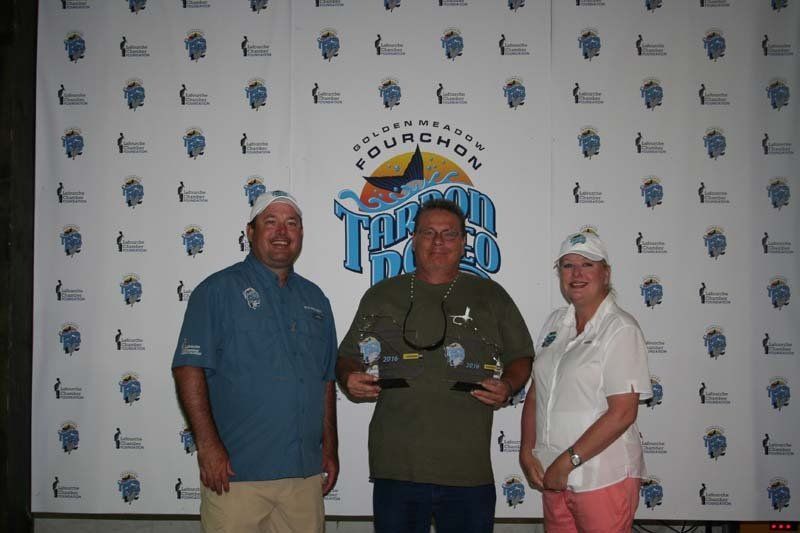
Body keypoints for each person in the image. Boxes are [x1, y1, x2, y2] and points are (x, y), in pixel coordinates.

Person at [337, 198, 534, 533]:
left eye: (449, 234)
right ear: (413, 239)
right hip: (397, 468)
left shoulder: (491, 296)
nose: (438, 241)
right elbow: (347, 356)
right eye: (429, 232)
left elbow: (521, 356)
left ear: (463, 242)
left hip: (467, 471)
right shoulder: (382, 295)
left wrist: (510, 385)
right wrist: (348, 377)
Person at [172, 191, 338, 533]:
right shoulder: (217, 290)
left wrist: (330, 448)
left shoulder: (316, 298)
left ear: (301, 234)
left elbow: (325, 379)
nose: (282, 231)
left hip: (303, 477)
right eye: (271, 222)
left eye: (291, 223)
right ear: (250, 232)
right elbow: (188, 367)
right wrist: (208, 447)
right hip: (237, 474)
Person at [519, 231, 651, 533]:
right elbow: (536, 394)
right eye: (567, 265)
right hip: (552, 476)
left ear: (605, 273)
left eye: (587, 264)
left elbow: (622, 413)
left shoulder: (621, 329)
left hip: (601, 476)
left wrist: (567, 463)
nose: (576, 273)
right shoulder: (555, 322)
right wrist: (527, 451)